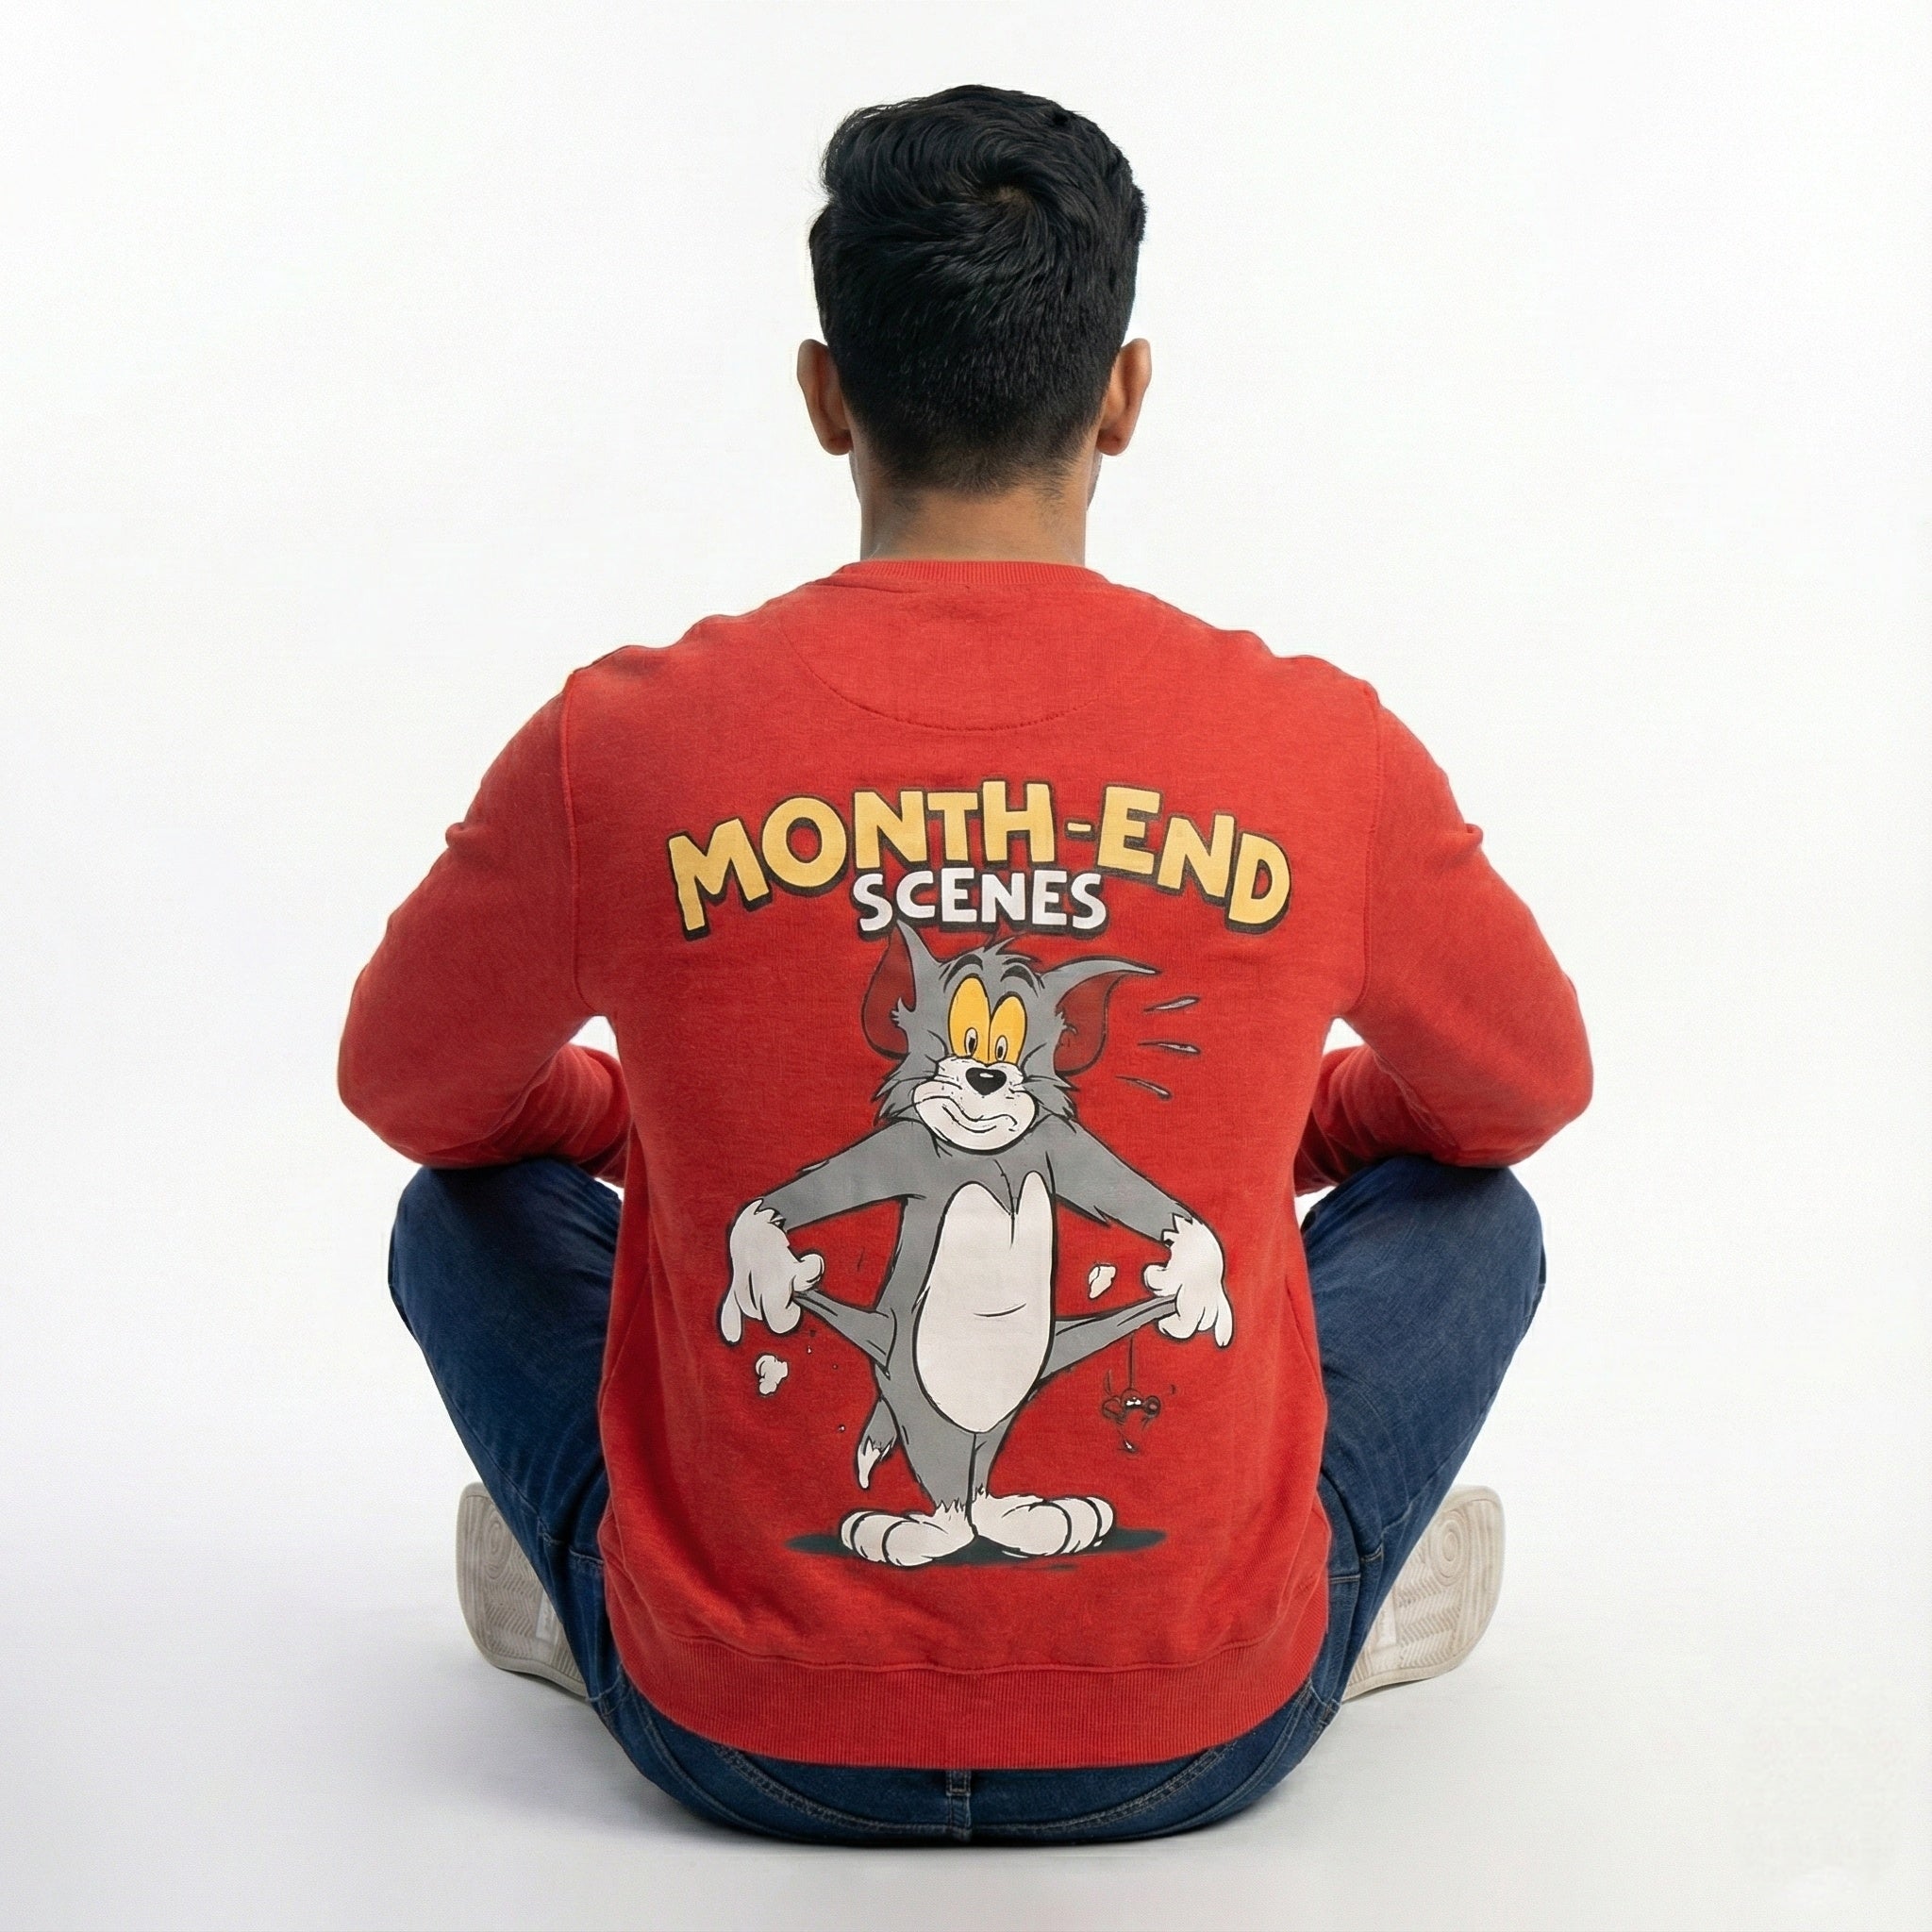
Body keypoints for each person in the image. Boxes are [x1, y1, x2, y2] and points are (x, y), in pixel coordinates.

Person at [339, 83, 1591, 1844]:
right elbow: (1520, 1094)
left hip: (739, 1741)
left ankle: (601, 1585)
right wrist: (1292, 1136)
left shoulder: (621, 746)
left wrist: (639, 1127)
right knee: (1478, 1218)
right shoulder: (1320, 750)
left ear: (825, 394)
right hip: (1191, 1742)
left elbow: (413, 1091)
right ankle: (1324, 1595)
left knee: (457, 1211)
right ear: (1125, 394)